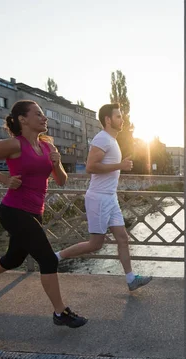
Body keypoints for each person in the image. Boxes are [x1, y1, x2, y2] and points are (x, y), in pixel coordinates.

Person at [0, 100, 87, 328]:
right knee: (47, 259)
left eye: (44, 114)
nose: (44, 118)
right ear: (22, 119)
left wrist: (57, 164)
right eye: (38, 114)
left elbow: (62, 181)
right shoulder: (13, 145)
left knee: (13, 259)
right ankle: (60, 313)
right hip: (14, 210)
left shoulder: (47, 146)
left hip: (35, 212)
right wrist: (4, 179)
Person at [55, 104, 152, 291]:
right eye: (118, 116)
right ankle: (57, 257)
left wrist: (119, 165)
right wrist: (120, 165)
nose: (121, 120)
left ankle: (131, 279)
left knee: (123, 238)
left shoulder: (112, 140)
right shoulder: (102, 138)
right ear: (108, 120)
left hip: (110, 197)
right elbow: (91, 166)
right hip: (98, 198)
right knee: (95, 244)